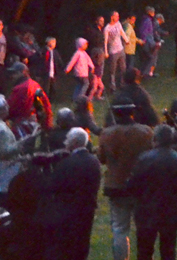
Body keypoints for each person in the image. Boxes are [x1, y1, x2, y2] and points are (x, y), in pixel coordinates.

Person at [99, 103, 153, 260]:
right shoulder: (146, 132)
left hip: (116, 185)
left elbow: (101, 158)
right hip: (141, 186)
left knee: (119, 228)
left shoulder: (106, 133)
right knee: (143, 227)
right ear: (132, 113)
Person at [125, 125, 177, 260]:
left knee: (144, 250)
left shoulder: (144, 159)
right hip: (170, 211)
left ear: (155, 139)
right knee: (169, 250)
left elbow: (133, 186)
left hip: (146, 210)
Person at [43, 128, 102, 260]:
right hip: (88, 207)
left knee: (68, 243)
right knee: (83, 239)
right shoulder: (94, 161)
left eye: (68, 140)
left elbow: (53, 185)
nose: (65, 143)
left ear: (74, 142)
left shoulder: (66, 163)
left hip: (68, 209)